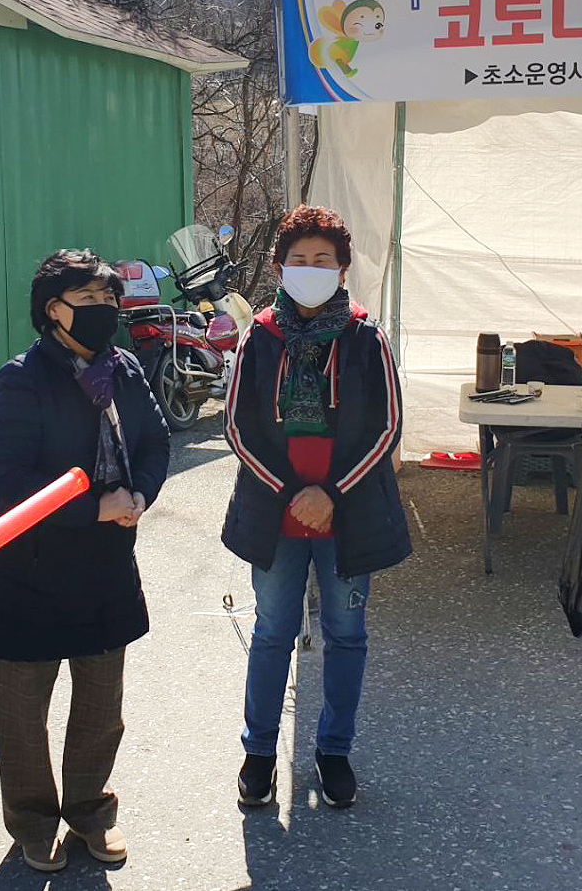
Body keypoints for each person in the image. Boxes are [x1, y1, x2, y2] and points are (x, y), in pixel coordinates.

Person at [0, 248, 171, 872]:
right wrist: (93, 506)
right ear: (51, 309)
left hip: (106, 565)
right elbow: (9, 477)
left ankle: (89, 812)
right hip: (30, 569)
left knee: (99, 707)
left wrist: (138, 493)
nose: (103, 312)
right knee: (23, 712)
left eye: (107, 300)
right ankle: (32, 822)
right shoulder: (20, 378)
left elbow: (155, 440)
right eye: (87, 301)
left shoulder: (125, 371)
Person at [222, 204, 406, 811]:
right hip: (275, 515)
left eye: (321, 260)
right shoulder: (260, 336)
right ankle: (259, 754)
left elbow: (385, 427)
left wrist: (329, 494)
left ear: (343, 269)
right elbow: (239, 427)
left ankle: (334, 752)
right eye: (298, 261)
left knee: (346, 634)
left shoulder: (365, 337)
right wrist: (290, 493)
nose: (309, 269)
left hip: (346, 515)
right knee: (272, 632)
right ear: (279, 267)